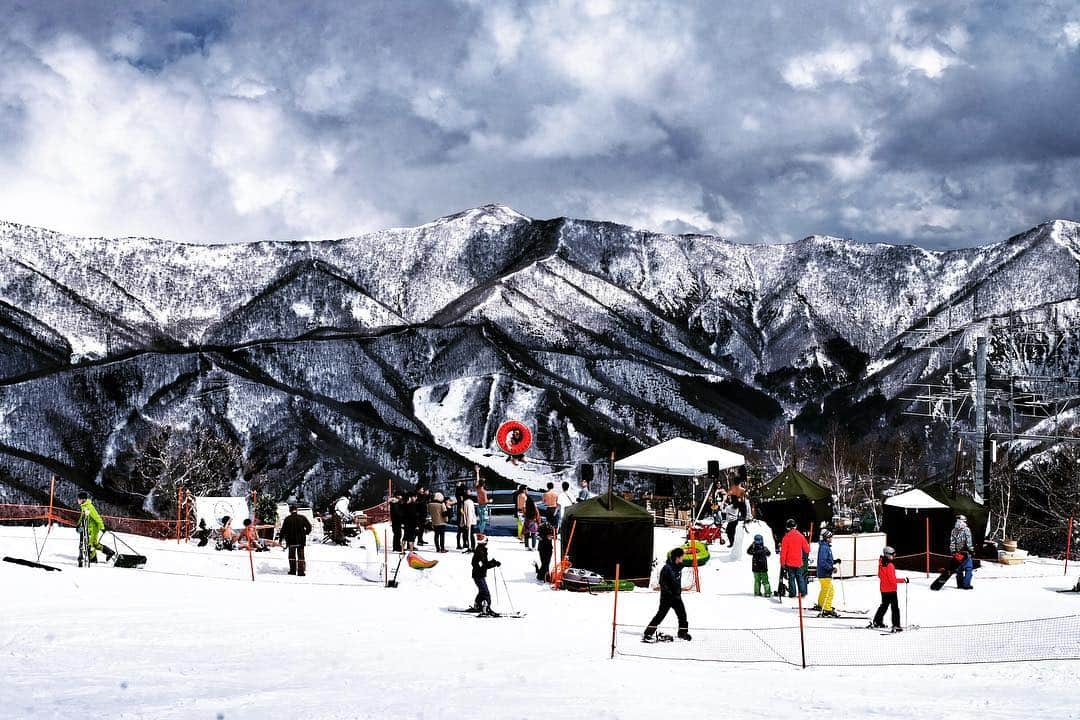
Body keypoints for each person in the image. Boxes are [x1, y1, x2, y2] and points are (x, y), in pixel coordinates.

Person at [643, 548, 691, 642]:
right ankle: (648, 633)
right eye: (681, 557)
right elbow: (662, 583)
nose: (683, 558)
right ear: (677, 558)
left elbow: (687, 562)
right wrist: (669, 593)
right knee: (660, 615)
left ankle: (682, 633)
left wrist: (687, 550)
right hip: (667, 598)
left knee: (682, 615)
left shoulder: (679, 566)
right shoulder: (666, 568)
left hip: (677, 597)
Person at [870, 546, 908, 631]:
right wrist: (903, 580)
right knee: (895, 608)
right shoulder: (890, 565)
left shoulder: (881, 563)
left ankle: (877, 621)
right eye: (892, 554)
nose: (894, 556)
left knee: (884, 605)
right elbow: (892, 580)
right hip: (891, 590)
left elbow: (880, 575)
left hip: (883, 589)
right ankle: (896, 625)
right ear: (887, 554)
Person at [76, 491, 113, 564]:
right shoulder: (84, 507)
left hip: (93, 529)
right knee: (94, 544)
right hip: (89, 528)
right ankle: (109, 552)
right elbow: (82, 517)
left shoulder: (89, 507)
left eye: (79, 499)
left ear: (83, 499)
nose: (78, 500)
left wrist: (102, 527)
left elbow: (97, 517)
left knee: (90, 544)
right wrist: (78, 524)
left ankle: (93, 559)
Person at [469, 534, 501, 616]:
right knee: (485, 592)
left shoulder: (480, 549)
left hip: (478, 574)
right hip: (478, 575)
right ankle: (486, 609)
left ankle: (478, 605)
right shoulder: (481, 551)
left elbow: (482, 563)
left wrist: (492, 562)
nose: (487, 542)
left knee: (482, 591)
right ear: (484, 542)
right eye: (486, 541)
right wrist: (494, 563)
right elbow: (484, 564)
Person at [278, 503, 312, 576]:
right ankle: (301, 571)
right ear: (296, 510)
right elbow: (309, 527)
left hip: (291, 541)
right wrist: (305, 533)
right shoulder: (302, 517)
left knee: (291, 556)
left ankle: (292, 571)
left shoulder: (287, 519)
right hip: (301, 540)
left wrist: (280, 540)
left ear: (290, 511)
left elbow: (283, 530)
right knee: (301, 556)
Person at [780, 519, 810, 598]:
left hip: (789, 562)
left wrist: (782, 563)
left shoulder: (786, 537)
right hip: (799, 562)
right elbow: (807, 549)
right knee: (800, 577)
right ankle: (802, 593)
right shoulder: (800, 536)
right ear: (795, 526)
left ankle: (792, 593)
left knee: (791, 578)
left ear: (787, 527)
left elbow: (783, 552)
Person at [815, 530, 841, 617]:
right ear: (827, 538)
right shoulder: (824, 548)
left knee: (824, 590)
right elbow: (822, 562)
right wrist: (831, 568)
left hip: (823, 573)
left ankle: (821, 604)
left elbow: (827, 560)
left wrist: (834, 561)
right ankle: (827, 609)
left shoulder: (825, 547)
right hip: (824, 573)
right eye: (830, 537)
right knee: (830, 591)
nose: (831, 539)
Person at [949, 515, 974, 590]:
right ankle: (966, 584)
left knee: (959, 568)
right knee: (968, 568)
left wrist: (953, 551)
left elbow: (952, 542)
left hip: (957, 552)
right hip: (965, 552)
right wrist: (971, 550)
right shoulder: (966, 529)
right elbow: (969, 541)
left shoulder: (953, 530)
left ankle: (960, 584)